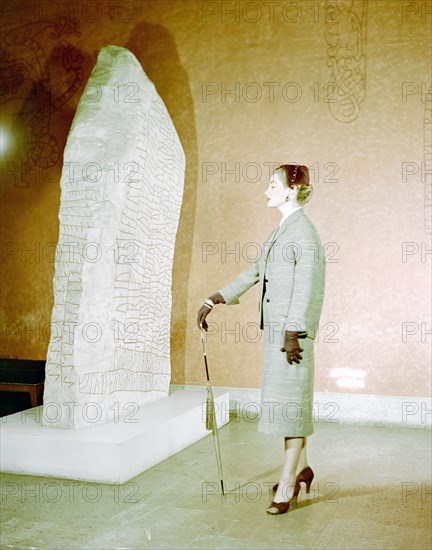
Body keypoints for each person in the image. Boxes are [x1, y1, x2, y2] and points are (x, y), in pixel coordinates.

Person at [197, 164, 326, 515]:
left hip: (291, 338)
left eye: (272, 185)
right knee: (289, 404)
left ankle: (287, 486)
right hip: (279, 334)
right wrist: (216, 298)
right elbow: (255, 271)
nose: (265, 191)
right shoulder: (281, 230)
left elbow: (309, 285)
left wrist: (293, 332)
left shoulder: (305, 233)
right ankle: (302, 469)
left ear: (291, 190)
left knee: (291, 407)